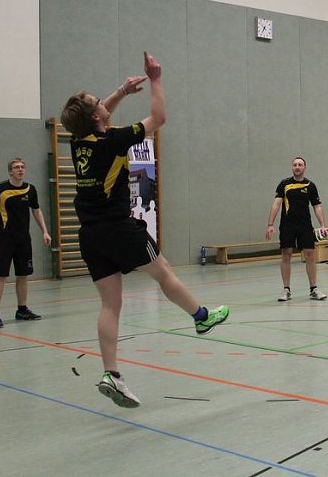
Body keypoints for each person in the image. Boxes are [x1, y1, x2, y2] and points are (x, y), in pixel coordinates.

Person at [60, 52, 229, 408]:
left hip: (89, 234)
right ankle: (201, 318)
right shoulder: (114, 140)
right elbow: (159, 118)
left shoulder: (79, 142)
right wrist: (155, 78)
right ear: (96, 116)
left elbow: (97, 112)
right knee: (163, 271)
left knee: (110, 304)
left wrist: (120, 91)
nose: (104, 102)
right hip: (120, 228)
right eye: (98, 103)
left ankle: (112, 374)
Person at [0, 158, 52, 328]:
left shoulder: (30, 189)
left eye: (22, 167)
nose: (20, 169)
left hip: (23, 239)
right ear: (10, 172)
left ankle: (22, 310)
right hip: (4, 239)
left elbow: (36, 211)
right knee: (1, 276)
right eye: (16, 167)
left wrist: (44, 231)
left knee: (23, 274)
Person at [266, 157, 328, 302]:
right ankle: (286, 290)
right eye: (295, 165)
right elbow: (276, 204)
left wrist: (322, 225)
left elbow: (317, 206)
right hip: (288, 225)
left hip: (305, 225)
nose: (297, 167)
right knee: (286, 254)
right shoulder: (284, 184)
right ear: (292, 167)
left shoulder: (310, 185)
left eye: (300, 165)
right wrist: (270, 224)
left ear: (304, 167)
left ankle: (313, 289)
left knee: (309, 254)